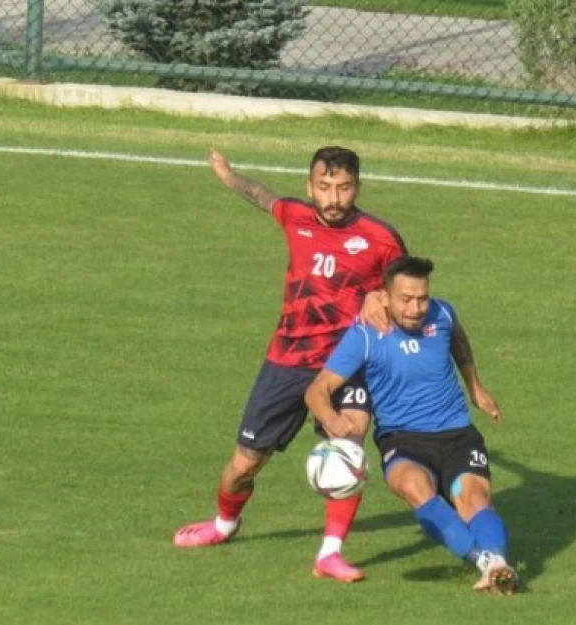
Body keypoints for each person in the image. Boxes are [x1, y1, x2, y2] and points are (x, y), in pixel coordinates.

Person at [173, 146, 408, 583]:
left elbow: (407, 291)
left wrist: (383, 299)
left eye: (343, 188)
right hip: (287, 359)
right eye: (324, 187)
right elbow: (262, 196)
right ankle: (224, 524)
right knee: (243, 464)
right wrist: (228, 176)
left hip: (347, 361)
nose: (334, 198)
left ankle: (330, 553)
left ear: (358, 186)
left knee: (348, 445)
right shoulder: (294, 216)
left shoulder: (382, 238)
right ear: (309, 187)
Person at [305, 256, 517, 595]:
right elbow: (317, 390)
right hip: (402, 440)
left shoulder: (443, 314)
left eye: (422, 298)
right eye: (406, 299)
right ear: (385, 297)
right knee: (415, 487)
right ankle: (485, 562)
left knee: (474, 498)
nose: (417, 308)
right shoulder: (365, 335)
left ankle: (499, 563)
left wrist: (475, 388)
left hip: (457, 434)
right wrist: (333, 421)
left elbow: (459, 341)